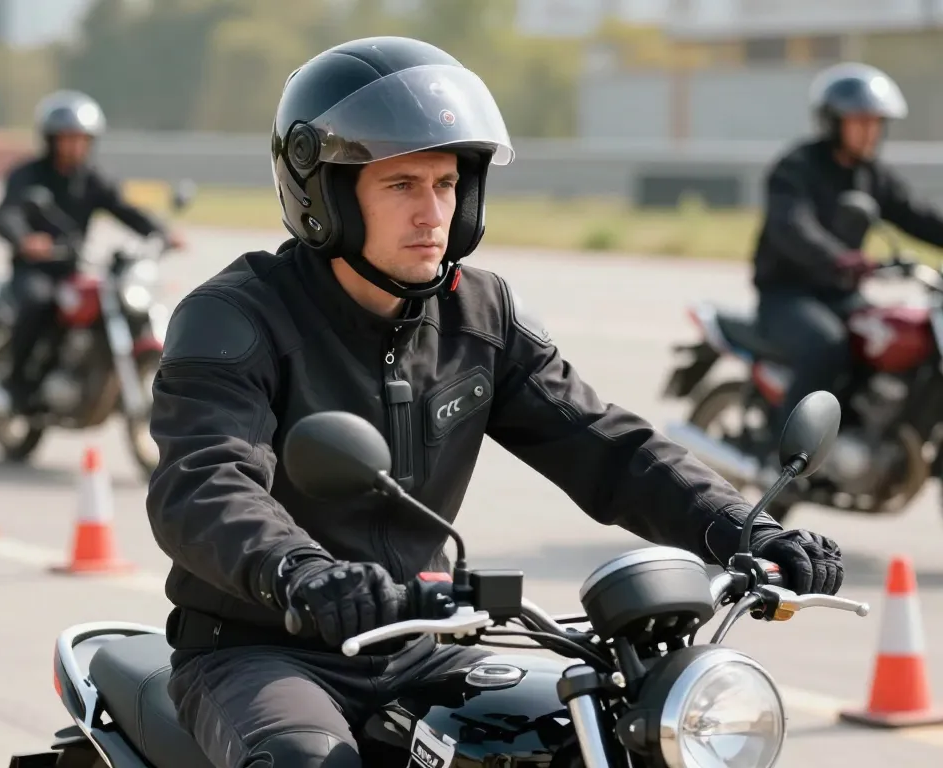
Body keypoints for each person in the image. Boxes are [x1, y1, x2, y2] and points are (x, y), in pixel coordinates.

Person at [146, 37, 845, 768]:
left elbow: (606, 445)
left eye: (446, 184)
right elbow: (203, 481)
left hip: (419, 645)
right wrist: (299, 571)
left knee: (585, 733)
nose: (432, 213)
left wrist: (738, 527)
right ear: (324, 195)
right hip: (265, 650)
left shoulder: (481, 313)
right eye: (401, 186)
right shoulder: (237, 318)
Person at [752, 62, 943, 434]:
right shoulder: (796, 167)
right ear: (833, 121)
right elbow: (792, 225)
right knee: (826, 346)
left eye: (876, 122)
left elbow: (916, 215)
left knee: (888, 341)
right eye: (860, 122)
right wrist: (838, 257)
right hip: (787, 296)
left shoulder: (871, 174)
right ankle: (788, 453)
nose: (871, 132)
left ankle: (861, 435)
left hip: (841, 295)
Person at [0, 89, 184, 414]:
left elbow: (124, 209)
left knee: (119, 302)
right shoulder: (28, 175)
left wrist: (161, 232)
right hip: (35, 270)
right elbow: (6, 214)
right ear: (51, 140)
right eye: (67, 138)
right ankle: (17, 383)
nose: (75, 145)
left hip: (74, 268)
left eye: (82, 139)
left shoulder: (92, 179)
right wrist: (25, 239)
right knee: (39, 303)